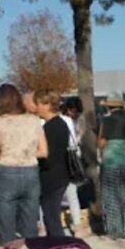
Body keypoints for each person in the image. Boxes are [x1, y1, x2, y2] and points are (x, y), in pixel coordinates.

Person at [0, 84, 48, 241]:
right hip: (31, 173)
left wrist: (10, 152)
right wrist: (26, 152)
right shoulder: (34, 120)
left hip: (6, 173)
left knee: (6, 227)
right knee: (30, 227)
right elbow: (44, 152)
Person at [98, 93, 125, 240]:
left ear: (109, 106)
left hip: (110, 161)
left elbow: (101, 143)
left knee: (110, 195)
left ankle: (113, 230)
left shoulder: (106, 121)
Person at [34, 90, 72, 238]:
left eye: (38, 104)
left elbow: (48, 155)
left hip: (52, 178)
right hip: (59, 176)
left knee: (51, 219)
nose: (36, 107)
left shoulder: (50, 127)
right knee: (51, 218)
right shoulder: (60, 124)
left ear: (47, 104)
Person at [61, 97, 88, 236]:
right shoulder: (70, 120)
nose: (73, 113)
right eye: (72, 110)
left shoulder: (75, 120)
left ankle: (74, 223)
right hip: (72, 155)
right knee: (71, 192)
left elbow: (79, 137)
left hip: (70, 156)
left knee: (70, 192)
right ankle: (76, 224)